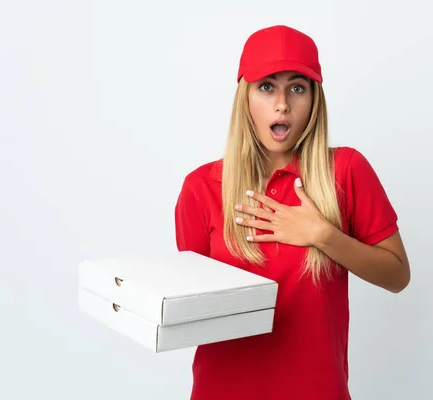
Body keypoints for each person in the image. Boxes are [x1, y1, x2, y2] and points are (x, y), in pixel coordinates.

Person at [174, 24, 410, 400]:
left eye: (297, 88)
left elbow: (397, 275)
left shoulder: (346, 171)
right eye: (266, 87)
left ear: (315, 99)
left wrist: (323, 235)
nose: (282, 103)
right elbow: (192, 310)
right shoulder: (201, 188)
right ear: (245, 97)